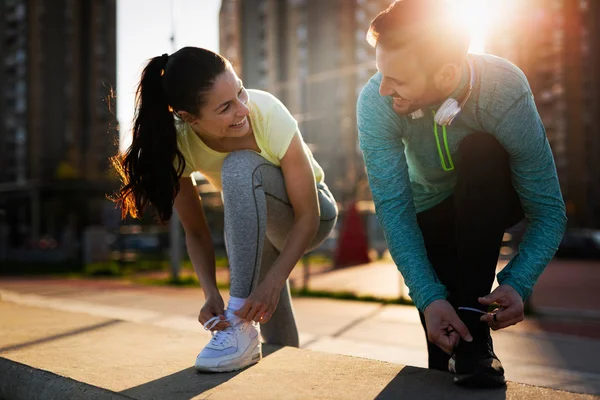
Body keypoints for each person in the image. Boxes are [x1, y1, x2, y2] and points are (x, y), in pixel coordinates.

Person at [357, 0, 566, 387]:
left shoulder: (503, 89)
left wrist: (518, 282)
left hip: (492, 198)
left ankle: (473, 323)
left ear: (447, 72)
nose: (383, 89)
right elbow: (394, 210)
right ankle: (470, 346)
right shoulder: (376, 102)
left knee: (480, 150)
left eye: (397, 80)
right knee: (447, 349)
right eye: (381, 74)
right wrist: (428, 297)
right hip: (428, 211)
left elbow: (549, 211)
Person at [111, 47, 338, 373]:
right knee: (274, 337)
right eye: (225, 107)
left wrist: (273, 283)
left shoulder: (267, 113)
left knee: (239, 166)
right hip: (256, 229)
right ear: (189, 118)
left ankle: (235, 319)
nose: (243, 108)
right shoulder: (180, 143)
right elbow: (196, 230)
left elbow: (308, 216)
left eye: (240, 91)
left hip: (311, 216)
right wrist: (209, 293)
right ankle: (268, 362)